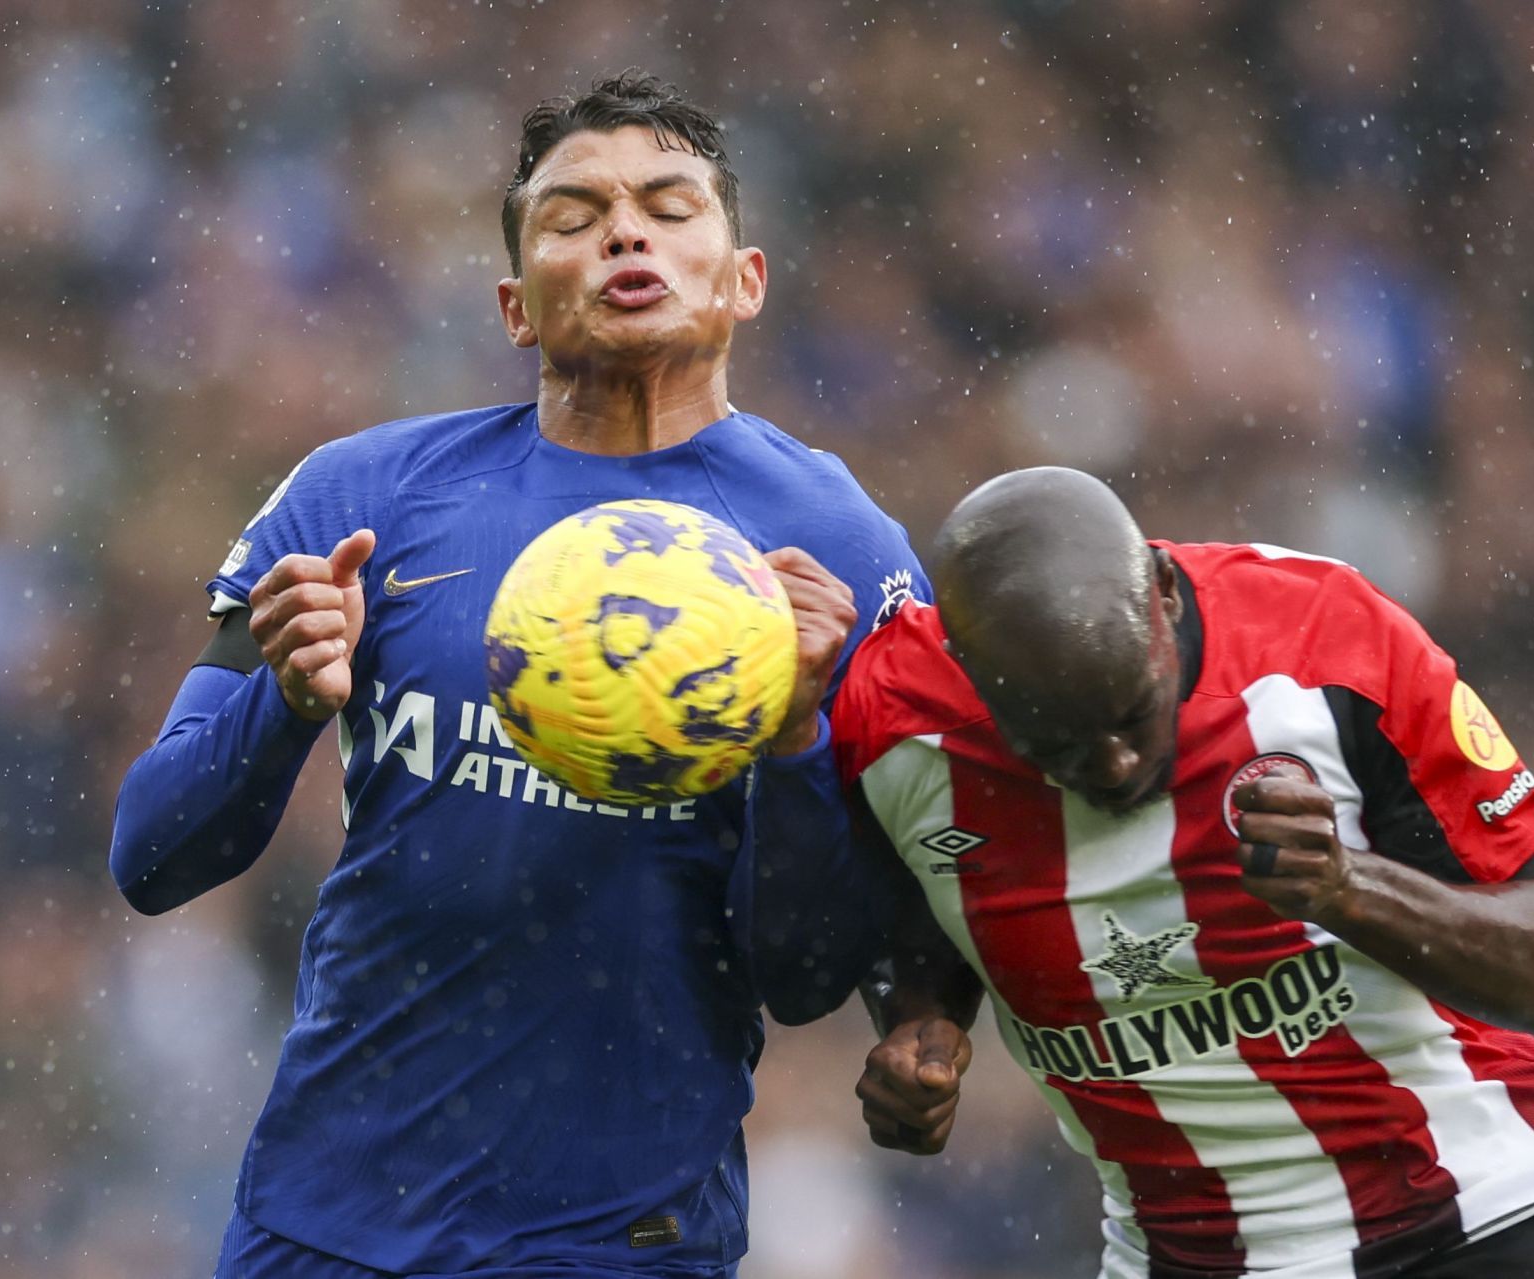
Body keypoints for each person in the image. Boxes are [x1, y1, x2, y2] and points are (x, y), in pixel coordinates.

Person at [108, 72, 925, 1279]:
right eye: (572, 213)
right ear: (515, 307)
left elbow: (803, 977)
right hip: (324, 1222)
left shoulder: (842, 552)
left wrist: (798, 736)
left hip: (621, 1243)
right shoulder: (361, 503)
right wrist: (281, 708)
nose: (624, 231)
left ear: (744, 279)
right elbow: (151, 856)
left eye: (667, 204)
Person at [834, 467, 1534, 1277]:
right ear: (970, 680)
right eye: (1059, 747)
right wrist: (917, 1023)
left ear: (1164, 594)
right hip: (1181, 1260)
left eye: (1133, 711)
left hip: (1480, 1225)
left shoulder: (1328, 642)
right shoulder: (890, 727)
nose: (1114, 764)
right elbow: (910, 917)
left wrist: (1351, 888)